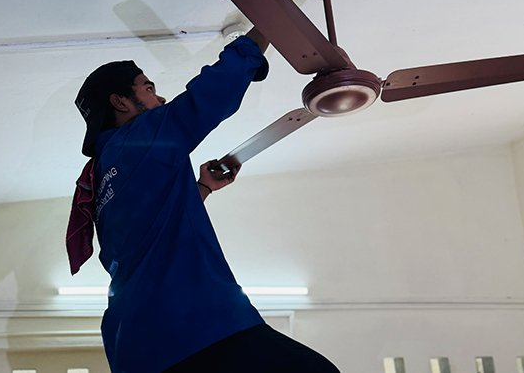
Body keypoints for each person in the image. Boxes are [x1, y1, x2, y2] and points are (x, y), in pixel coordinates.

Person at [67, 27, 339, 373]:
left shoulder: (104, 179)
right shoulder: (140, 138)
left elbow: (153, 232)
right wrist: (264, 28)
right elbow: (209, 95)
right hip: (194, 325)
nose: (160, 99)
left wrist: (202, 188)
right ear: (120, 102)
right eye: (148, 89)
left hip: (135, 347)